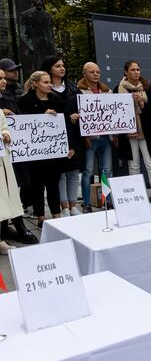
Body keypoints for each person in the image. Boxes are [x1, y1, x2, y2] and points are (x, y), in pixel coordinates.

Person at [18, 71, 72, 227]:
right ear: (35, 84)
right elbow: (23, 123)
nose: (49, 85)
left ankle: (56, 214)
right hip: (34, 152)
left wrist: (70, 145)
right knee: (37, 185)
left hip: (53, 150)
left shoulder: (56, 100)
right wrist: (42, 114)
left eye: (50, 82)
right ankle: (41, 216)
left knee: (53, 183)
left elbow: (65, 123)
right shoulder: (24, 101)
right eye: (45, 82)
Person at [41, 55, 82, 217]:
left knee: (73, 170)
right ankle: (63, 205)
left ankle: (73, 205)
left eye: (63, 65)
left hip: (74, 134)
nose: (62, 68)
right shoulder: (46, 89)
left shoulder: (72, 88)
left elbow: (83, 108)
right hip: (56, 137)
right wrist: (66, 116)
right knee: (61, 172)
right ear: (49, 68)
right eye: (58, 66)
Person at [115, 60, 151, 202]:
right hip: (129, 133)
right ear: (126, 72)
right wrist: (124, 132)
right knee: (133, 165)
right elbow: (116, 114)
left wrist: (142, 102)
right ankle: (138, 197)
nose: (136, 72)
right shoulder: (118, 88)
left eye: (138, 69)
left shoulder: (147, 88)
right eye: (132, 70)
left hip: (146, 132)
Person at [0, 69, 37, 245]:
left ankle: (9, 228)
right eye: (0, 78)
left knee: (9, 193)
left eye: (3, 77)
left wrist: (6, 133)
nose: (4, 81)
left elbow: (3, 125)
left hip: (4, 158)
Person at [77, 62, 115, 213]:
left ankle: (108, 201)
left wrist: (115, 133)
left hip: (106, 137)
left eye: (98, 71)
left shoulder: (107, 91)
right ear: (84, 73)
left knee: (107, 171)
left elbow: (113, 114)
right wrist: (84, 134)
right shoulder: (78, 91)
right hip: (90, 138)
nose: (95, 74)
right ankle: (86, 203)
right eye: (92, 72)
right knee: (87, 171)